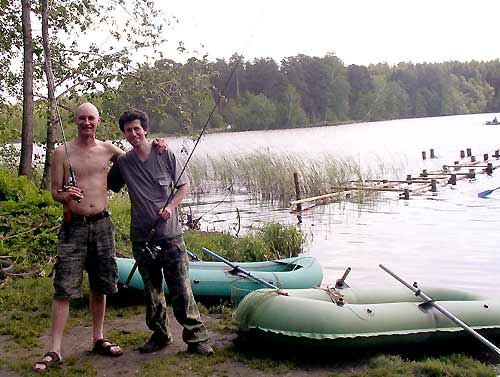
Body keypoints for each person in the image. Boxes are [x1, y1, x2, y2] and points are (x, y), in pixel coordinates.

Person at [33, 103, 166, 372]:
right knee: (64, 288)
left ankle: (98, 338)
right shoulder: (61, 153)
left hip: (103, 225)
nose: (86, 122)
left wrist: (157, 144)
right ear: (75, 120)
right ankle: (55, 349)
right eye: (81, 118)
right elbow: (54, 192)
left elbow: (139, 154)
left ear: (98, 120)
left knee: (101, 283)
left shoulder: (108, 150)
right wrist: (65, 195)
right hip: (73, 227)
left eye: (90, 118)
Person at [108, 109, 213, 356]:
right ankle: (160, 335)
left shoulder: (165, 153)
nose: (133, 133)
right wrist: (106, 154)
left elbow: (184, 184)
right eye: (128, 130)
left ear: (145, 129)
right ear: (124, 134)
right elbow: (110, 185)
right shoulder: (123, 162)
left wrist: (171, 206)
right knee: (152, 291)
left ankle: (197, 338)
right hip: (142, 237)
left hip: (171, 236)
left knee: (181, 289)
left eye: (137, 128)